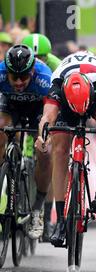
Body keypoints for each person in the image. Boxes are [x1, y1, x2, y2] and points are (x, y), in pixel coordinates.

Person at [36, 50, 96, 247]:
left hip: (92, 90)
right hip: (67, 100)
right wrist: (42, 137)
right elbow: (47, 118)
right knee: (59, 150)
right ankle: (61, 221)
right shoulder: (56, 86)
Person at [0, 44, 53, 239]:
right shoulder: (0, 73)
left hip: (38, 110)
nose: (20, 82)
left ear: (32, 71)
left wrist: (42, 138)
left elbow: (49, 115)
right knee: (1, 130)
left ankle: (37, 210)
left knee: (45, 150)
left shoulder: (44, 78)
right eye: (14, 77)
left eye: (24, 77)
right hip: (10, 105)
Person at [22, 33, 62, 242]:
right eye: (35, 56)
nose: (39, 61)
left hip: (46, 106)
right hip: (22, 101)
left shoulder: (55, 66)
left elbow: (58, 103)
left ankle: (45, 219)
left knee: (48, 157)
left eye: (43, 57)